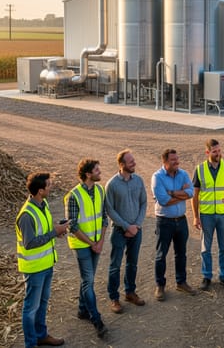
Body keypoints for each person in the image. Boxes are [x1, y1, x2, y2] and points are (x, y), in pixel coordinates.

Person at [16, 172, 69, 348]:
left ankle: (41, 335)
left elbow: (44, 230)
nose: (51, 187)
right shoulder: (26, 215)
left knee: (42, 303)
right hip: (34, 269)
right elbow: (30, 243)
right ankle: (30, 343)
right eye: (49, 185)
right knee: (30, 308)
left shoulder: (42, 204)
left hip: (46, 264)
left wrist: (57, 230)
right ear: (40, 191)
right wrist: (55, 232)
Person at [65, 158, 108, 339]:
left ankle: (82, 310)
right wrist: (93, 244)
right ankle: (96, 319)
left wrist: (101, 242)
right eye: (97, 170)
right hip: (82, 245)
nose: (100, 172)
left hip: (96, 244)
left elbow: (104, 217)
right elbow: (72, 226)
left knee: (87, 280)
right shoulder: (73, 195)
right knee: (88, 281)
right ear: (88, 174)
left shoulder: (100, 190)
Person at [104, 149, 148, 314]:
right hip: (119, 231)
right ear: (122, 165)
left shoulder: (138, 180)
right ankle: (114, 298)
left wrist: (136, 225)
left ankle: (130, 292)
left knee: (132, 263)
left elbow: (144, 203)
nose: (134, 163)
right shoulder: (112, 184)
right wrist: (126, 226)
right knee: (115, 265)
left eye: (133, 160)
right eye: (131, 162)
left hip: (136, 230)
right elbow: (110, 209)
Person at [192, 139, 224, 292]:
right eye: (215, 152)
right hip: (206, 216)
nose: (218, 154)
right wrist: (195, 216)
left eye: (219, 151)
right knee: (205, 248)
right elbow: (195, 195)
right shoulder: (199, 169)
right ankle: (206, 276)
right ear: (207, 153)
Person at [150, 148, 197, 301]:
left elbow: (191, 193)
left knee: (181, 253)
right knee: (161, 254)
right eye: (173, 160)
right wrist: (180, 194)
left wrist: (172, 192)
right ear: (164, 161)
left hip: (181, 220)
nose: (177, 162)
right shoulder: (157, 177)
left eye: (177, 159)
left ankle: (181, 282)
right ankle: (160, 285)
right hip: (164, 221)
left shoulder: (183, 174)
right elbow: (164, 201)